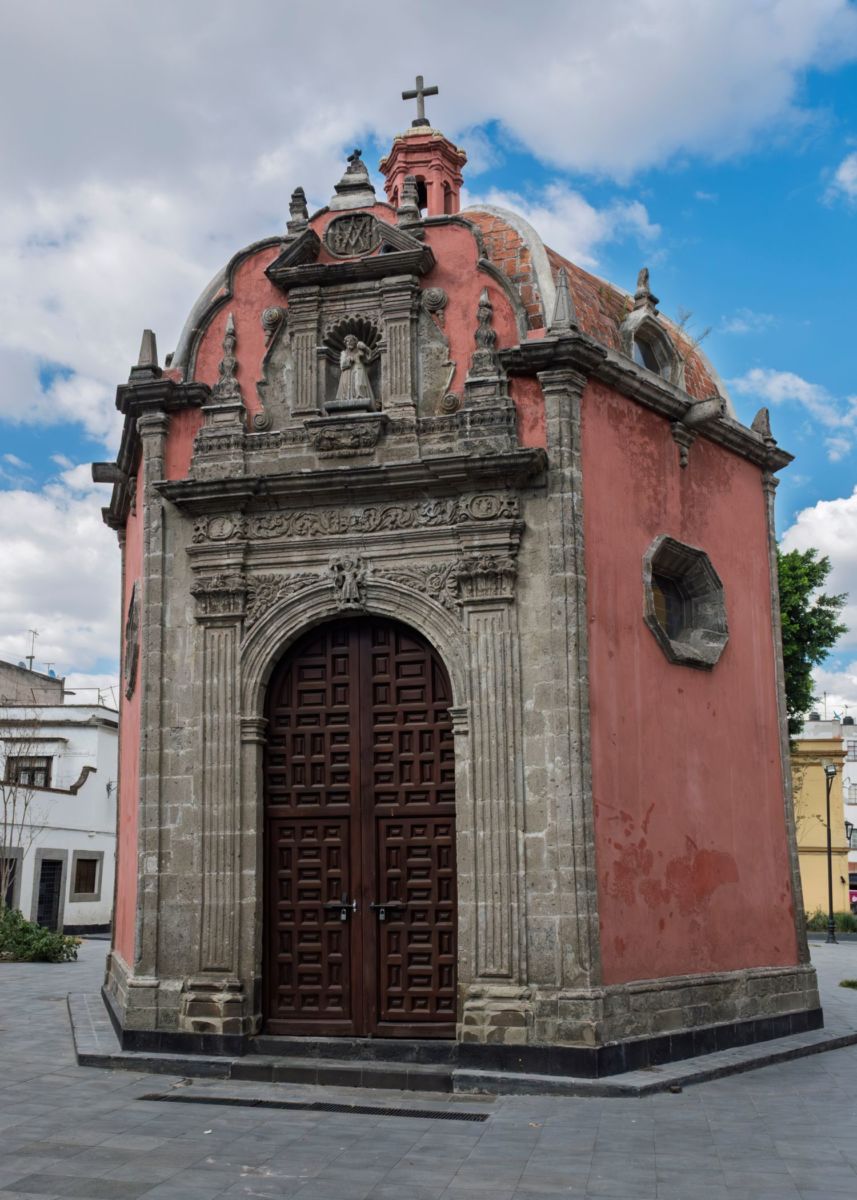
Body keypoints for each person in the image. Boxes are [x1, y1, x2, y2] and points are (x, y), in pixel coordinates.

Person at [336, 334, 374, 407]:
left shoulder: (360, 351)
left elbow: (368, 359)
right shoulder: (344, 353)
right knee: (346, 388)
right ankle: (347, 400)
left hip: (359, 370)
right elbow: (342, 366)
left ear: (355, 342)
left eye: (352, 341)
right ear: (345, 343)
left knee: (359, 384)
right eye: (347, 341)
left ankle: (360, 397)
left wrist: (365, 348)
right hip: (347, 374)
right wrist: (349, 360)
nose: (349, 342)